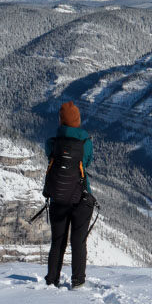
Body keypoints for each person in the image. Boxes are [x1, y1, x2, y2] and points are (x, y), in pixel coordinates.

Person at [43, 101, 95, 289]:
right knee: (78, 242)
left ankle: (51, 279)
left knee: (58, 242)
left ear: (61, 121)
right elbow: (88, 161)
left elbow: (49, 155)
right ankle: (78, 280)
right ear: (78, 121)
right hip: (81, 198)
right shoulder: (85, 143)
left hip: (58, 198)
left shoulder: (52, 142)